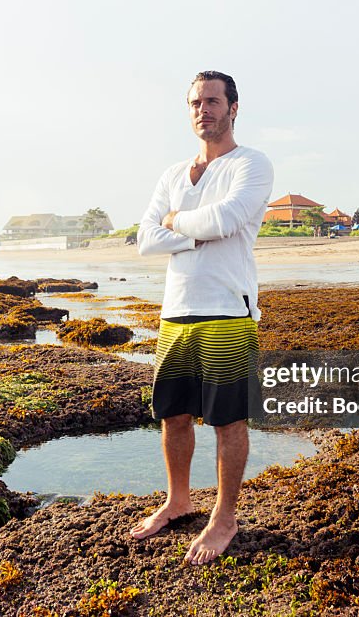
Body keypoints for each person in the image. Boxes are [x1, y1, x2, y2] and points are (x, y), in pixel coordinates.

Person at [129, 71, 274, 565]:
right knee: (173, 417)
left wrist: (175, 222)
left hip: (227, 311)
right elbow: (146, 238)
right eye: (195, 102)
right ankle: (178, 501)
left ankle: (225, 518)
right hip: (176, 312)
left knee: (227, 420)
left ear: (234, 107)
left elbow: (227, 219)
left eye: (212, 101)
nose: (202, 110)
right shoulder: (172, 174)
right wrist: (191, 232)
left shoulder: (251, 164)